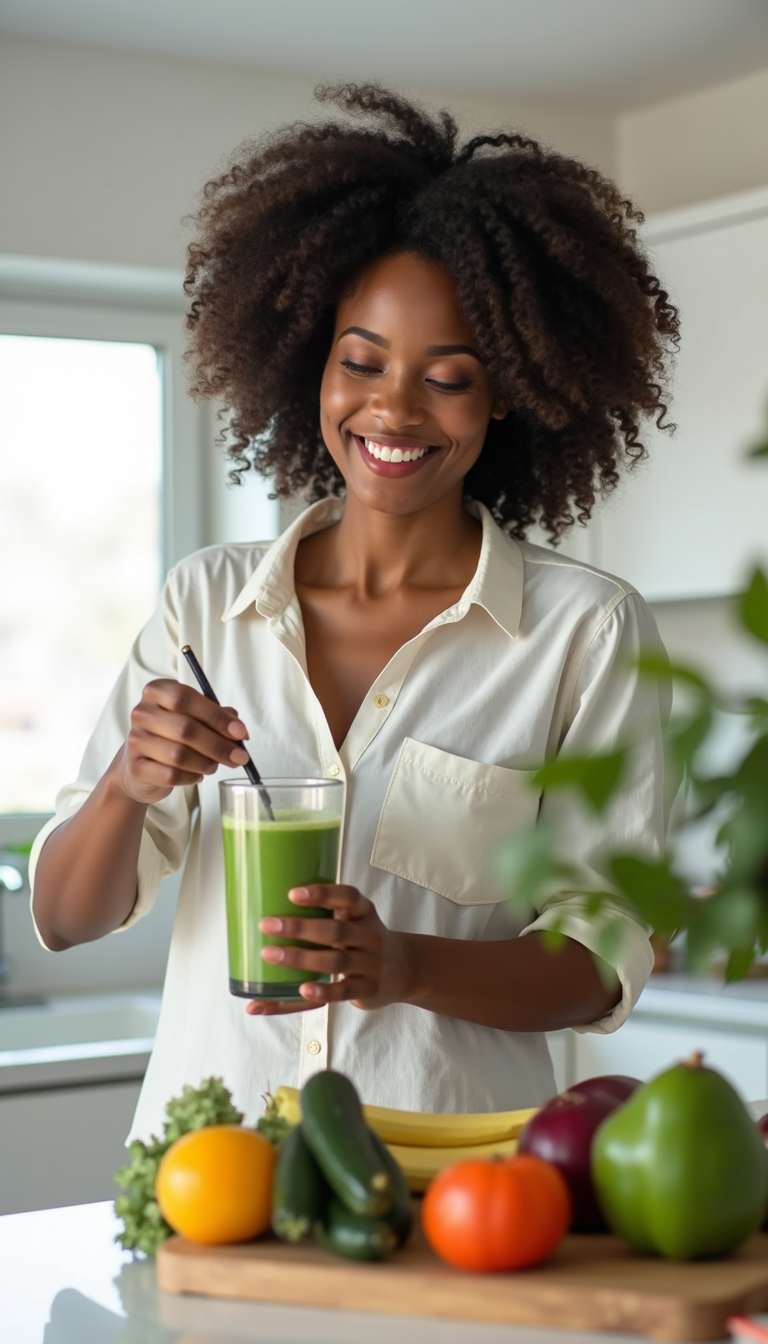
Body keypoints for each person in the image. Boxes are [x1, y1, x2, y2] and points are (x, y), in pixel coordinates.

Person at [30, 84, 677, 1139]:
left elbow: (605, 960)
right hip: (213, 1175)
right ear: (312, 365)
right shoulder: (206, 607)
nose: (394, 410)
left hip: (461, 1199)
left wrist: (404, 963)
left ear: (507, 391)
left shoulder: (583, 633)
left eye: (450, 378)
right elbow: (66, 914)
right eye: (361, 362)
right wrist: (125, 784)